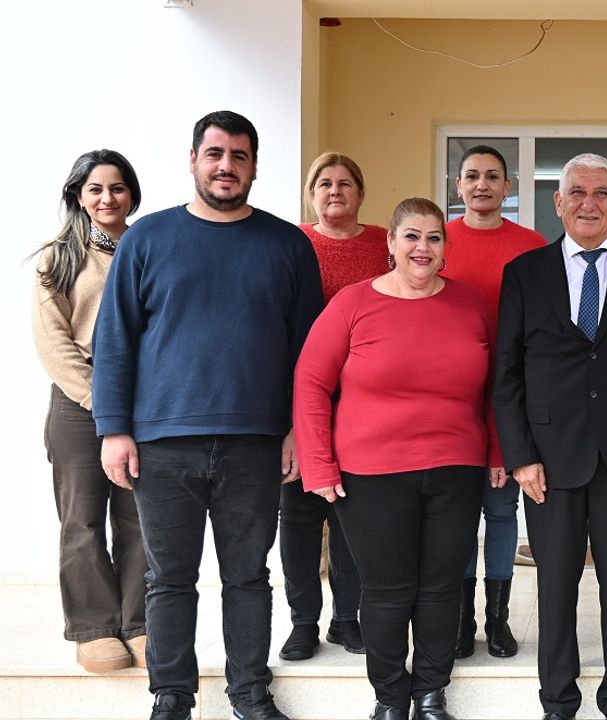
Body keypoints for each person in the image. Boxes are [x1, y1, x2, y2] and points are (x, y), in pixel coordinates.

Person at [93, 110, 324, 720]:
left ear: (254, 167)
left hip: (256, 441)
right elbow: (115, 340)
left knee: (248, 576)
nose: (227, 166)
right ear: (193, 160)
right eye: (215, 153)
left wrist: (299, 430)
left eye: (239, 156)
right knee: (169, 578)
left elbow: (309, 353)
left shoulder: (287, 245)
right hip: (164, 441)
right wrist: (114, 429)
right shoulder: (147, 239)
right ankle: (172, 696)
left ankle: (249, 692)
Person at [294, 197, 500, 720]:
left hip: (456, 468)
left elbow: (497, 388)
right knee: (387, 590)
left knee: (441, 588)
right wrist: (318, 464)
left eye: (433, 237)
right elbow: (311, 383)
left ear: (445, 247)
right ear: (390, 242)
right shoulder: (352, 303)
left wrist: (499, 452)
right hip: (371, 474)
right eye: (411, 236)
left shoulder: (472, 305)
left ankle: (430, 693)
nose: (422, 247)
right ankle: (390, 698)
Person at [494, 153, 607, 720]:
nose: (589, 203)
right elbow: (506, 373)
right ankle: (558, 699)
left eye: (602, 193)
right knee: (555, 585)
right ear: (558, 202)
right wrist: (520, 455)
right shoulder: (525, 273)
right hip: (549, 460)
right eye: (577, 192)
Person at [32, 149, 148, 674]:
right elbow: (52, 342)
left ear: (131, 194)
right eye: (96, 189)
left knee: (139, 517)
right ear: (78, 195)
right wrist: (104, 403)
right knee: (81, 519)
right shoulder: (58, 257)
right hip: (79, 401)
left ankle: (139, 623)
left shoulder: (150, 247)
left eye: (117, 188)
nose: (107, 198)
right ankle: (95, 628)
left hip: (143, 401)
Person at [277, 151, 386, 662]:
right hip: (302, 399)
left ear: (361, 193)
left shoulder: (384, 244)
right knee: (300, 515)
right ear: (310, 194)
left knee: (352, 514)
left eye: (345, 183)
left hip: (364, 401)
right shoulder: (291, 243)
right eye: (324, 183)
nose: (335, 191)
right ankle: (303, 621)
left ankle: (347, 618)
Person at [440, 144, 544, 660]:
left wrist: (507, 441)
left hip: (512, 397)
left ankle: (497, 619)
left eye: (492, 176)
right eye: (472, 176)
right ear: (458, 185)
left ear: (508, 187)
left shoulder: (531, 246)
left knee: (502, 510)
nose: (482, 184)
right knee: (459, 514)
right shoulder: (438, 241)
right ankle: (462, 620)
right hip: (450, 399)